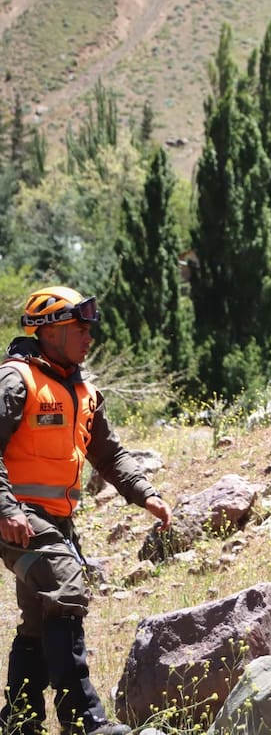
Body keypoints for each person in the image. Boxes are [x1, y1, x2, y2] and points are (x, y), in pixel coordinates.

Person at [0, 286, 172, 735]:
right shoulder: (17, 380)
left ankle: (20, 721)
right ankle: (85, 722)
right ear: (49, 331)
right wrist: (6, 508)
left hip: (56, 520)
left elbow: (110, 454)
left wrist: (144, 492)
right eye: (79, 328)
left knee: (39, 618)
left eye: (88, 329)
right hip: (16, 514)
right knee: (67, 590)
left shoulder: (84, 392)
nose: (88, 337)